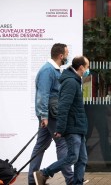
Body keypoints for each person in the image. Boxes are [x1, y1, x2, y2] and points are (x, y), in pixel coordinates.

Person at [34, 56, 90, 185]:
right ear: (81, 67)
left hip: (78, 126)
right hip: (72, 127)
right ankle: (44, 173)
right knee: (72, 157)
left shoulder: (75, 81)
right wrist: (60, 128)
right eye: (87, 67)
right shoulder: (70, 82)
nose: (88, 70)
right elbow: (63, 107)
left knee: (82, 159)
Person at [28, 43, 73, 185]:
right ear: (61, 56)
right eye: (66, 54)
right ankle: (71, 180)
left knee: (41, 146)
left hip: (50, 114)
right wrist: (44, 116)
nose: (67, 56)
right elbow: (43, 94)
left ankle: (32, 180)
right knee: (62, 143)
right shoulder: (48, 71)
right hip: (50, 115)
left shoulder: (54, 70)